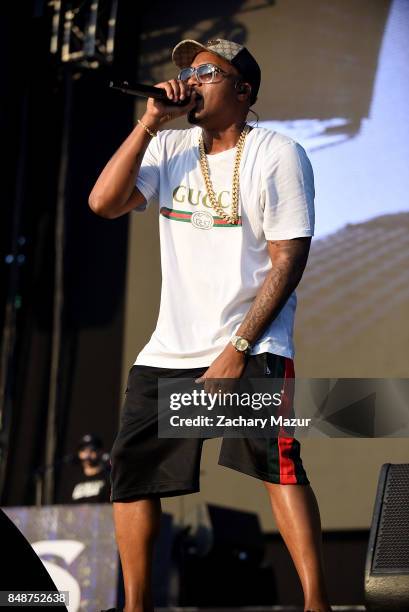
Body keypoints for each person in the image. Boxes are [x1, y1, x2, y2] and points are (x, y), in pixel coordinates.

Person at [89, 38, 331, 612]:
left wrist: (237, 349)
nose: (192, 79)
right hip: (169, 347)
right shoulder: (169, 144)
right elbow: (103, 202)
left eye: (208, 72)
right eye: (188, 71)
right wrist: (149, 122)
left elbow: (288, 259)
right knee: (134, 472)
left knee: (278, 463)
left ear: (244, 92)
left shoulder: (278, 153)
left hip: (251, 342)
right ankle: (136, 605)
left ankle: (317, 603)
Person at [58, 434, 111, 504]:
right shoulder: (73, 480)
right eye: (83, 450)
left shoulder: (108, 477)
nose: (87, 454)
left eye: (92, 450)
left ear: (100, 452)